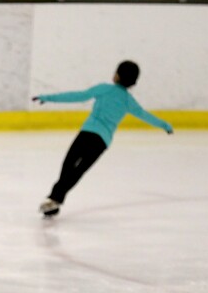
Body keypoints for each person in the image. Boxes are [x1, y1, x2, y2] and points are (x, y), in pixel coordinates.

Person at [32, 60, 173, 217]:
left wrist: (47, 97)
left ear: (117, 75)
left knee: (68, 166)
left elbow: (77, 96)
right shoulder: (128, 101)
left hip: (86, 134)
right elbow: (145, 116)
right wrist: (165, 126)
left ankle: (55, 198)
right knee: (78, 171)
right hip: (101, 142)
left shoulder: (104, 89)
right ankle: (55, 200)